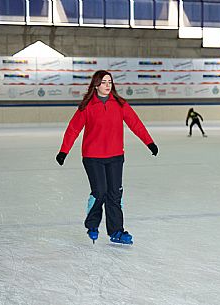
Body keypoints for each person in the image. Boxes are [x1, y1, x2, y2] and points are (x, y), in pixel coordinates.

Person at [55, 70, 158, 245]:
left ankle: (117, 231)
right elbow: (73, 129)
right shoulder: (87, 106)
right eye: (104, 82)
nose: (108, 85)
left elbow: (136, 124)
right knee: (100, 192)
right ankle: (93, 225)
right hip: (93, 157)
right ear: (96, 84)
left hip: (116, 156)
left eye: (110, 82)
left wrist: (149, 142)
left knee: (115, 194)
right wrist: (64, 151)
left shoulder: (120, 104)